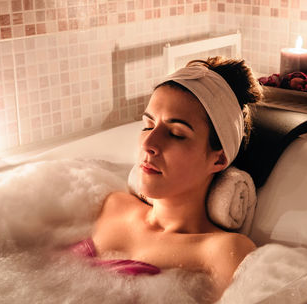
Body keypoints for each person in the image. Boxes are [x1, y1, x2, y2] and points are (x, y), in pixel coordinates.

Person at [89, 56, 263, 300]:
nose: (148, 143)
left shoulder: (222, 252)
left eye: (176, 133)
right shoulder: (112, 205)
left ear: (218, 159)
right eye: (148, 125)